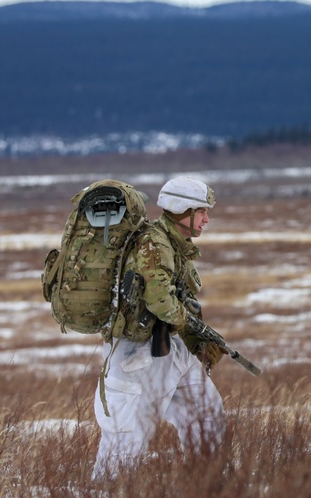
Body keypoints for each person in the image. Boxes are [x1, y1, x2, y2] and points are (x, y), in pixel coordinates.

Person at [92, 176, 227, 479]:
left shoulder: (175, 245)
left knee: (207, 416)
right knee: (125, 441)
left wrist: (197, 341)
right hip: (135, 356)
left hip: (167, 349)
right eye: (201, 211)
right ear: (182, 210)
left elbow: (178, 300)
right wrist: (191, 328)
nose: (206, 219)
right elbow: (158, 298)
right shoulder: (154, 243)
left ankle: (206, 488)